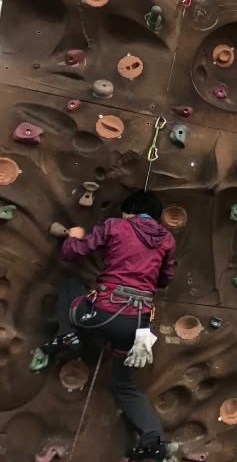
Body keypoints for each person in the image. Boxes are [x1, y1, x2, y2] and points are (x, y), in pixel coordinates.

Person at [41, 190, 176, 461]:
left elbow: (72, 252)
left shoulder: (116, 226)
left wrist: (74, 236)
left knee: (71, 287)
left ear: (131, 211)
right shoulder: (167, 240)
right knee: (124, 386)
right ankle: (153, 440)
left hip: (104, 312)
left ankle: (67, 335)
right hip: (136, 327)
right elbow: (164, 279)